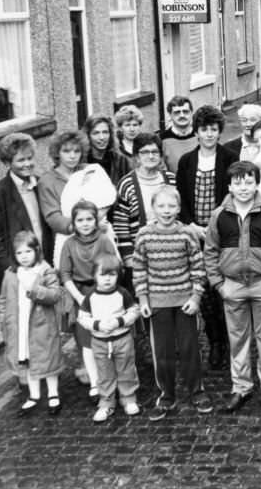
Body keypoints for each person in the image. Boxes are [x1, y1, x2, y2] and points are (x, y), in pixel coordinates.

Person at [204, 161, 261, 413]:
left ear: (257, 184)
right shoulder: (219, 216)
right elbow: (210, 252)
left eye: (249, 182)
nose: (243, 188)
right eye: (238, 183)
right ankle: (241, 387)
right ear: (229, 186)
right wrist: (219, 285)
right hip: (233, 286)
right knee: (237, 340)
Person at [134, 186, 211, 421]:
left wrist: (196, 297)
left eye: (171, 206)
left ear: (178, 208)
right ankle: (166, 395)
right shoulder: (144, 235)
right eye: (161, 206)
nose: (166, 211)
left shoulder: (187, 234)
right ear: (153, 208)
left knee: (190, 350)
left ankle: (197, 391)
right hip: (157, 303)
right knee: (162, 352)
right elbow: (139, 269)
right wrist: (143, 299)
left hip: (184, 301)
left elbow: (198, 269)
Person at [177, 104, 238, 368]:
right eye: (204, 129)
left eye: (214, 129)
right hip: (195, 233)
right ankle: (214, 341)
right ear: (197, 132)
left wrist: (218, 224)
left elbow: (234, 194)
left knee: (223, 286)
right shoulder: (187, 161)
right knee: (204, 290)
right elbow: (182, 196)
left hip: (221, 233)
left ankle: (229, 339)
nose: (209, 134)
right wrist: (189, 224)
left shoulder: (228, 157)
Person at [0, 230, 63, 418]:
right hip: (19, 325)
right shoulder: (11, 274)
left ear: (36, 251)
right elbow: (3, 299)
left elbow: (55, 295)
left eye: (28, 252)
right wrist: (4, 321)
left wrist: (35, 291)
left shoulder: (45, 271)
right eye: (19, 253)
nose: (24, 257)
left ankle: (53, 393)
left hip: (41, 325)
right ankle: (34, 395)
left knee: (46, 358)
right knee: (26, 358)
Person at [59, 199, 118, 398]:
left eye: (89, 219)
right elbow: (65, 273)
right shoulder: (69, 244)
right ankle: (94, 383)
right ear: (73, 223)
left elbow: (114, 267)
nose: (85, 223)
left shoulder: (103, 240)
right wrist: (79, 297)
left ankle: (111, 377)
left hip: (103, 292)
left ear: (96, 220)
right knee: (87, 343)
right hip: (80, 294)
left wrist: (104, 290)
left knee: (109, 337)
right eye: (80, 220)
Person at [0, 134, 48, 293]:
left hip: (44, 267)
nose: (27, 164)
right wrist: (13, 268)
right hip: (17, 273)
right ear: (7, 163)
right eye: (21, 160)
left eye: (30, 158)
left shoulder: (41, 184)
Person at [78, 253, 142, 422]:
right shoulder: (90, 296)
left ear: (118, 275)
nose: (107, 280)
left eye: (112, 275)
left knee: (126, 368)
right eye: (102, 275)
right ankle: (106, 402)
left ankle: (128, 397)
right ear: (94, 276)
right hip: (100, 341)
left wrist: (119, 321)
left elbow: (134, 311)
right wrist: (97, 325)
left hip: (122, 339)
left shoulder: (122, 293)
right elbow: (82, 317)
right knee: (104, 372)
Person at [111, 132, 176, 293]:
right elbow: (120, 224)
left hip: (171, 251)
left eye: (155, 152)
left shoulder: (171, 180)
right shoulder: (126, 184)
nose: (150, 156)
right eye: (145, 152)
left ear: (161, 156)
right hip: (140, 254)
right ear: (136, 157)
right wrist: (128, 257)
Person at [38, 130, 89, 265]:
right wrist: (83, 227)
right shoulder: (47, 181)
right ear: (57, 153)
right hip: (68, 241)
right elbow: (53, 217)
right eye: (66, 151)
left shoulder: (88, 171)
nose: (72, 156)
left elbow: (105, 196)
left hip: (95, 236)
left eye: (77, 151)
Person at [84, 113, 131, 186]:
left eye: (105, 132)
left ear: (111, 134)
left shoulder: (121, 161)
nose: (102, 137)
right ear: (88, 136)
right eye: (96, 133)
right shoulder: (82, 162)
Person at [159, 95, 198, 174]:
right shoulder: (161, 140)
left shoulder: (201, 136)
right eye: (177, 112)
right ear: (170, 115)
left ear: (191, 113)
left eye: (185, 111)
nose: (182, 115)